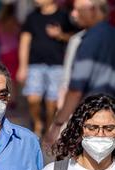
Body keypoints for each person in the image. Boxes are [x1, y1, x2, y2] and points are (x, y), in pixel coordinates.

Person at [44, 0, 115, 147]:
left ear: (93, 10)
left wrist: (58, 124)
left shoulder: (89, 40)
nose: (73, 14)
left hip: (94, 123)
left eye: (78, 9)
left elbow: (76, 90)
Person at [17, 0, 74, 138]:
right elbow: (24, 42)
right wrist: (22, 66)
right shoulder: (31, 17)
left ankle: (49, 128)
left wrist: (60, 35)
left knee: (52, 102)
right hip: (35, 64)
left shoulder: (64, 16)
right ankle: (38, 123)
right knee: (32, 98)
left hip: (57, 65)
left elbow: (74, 37)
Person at [0, 4, 20, 100]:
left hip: (3, 52)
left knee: (5, 76)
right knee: (13, 78)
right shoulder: (16, 23)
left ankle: (7, 97)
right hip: (15, 52)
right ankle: (13, 98)